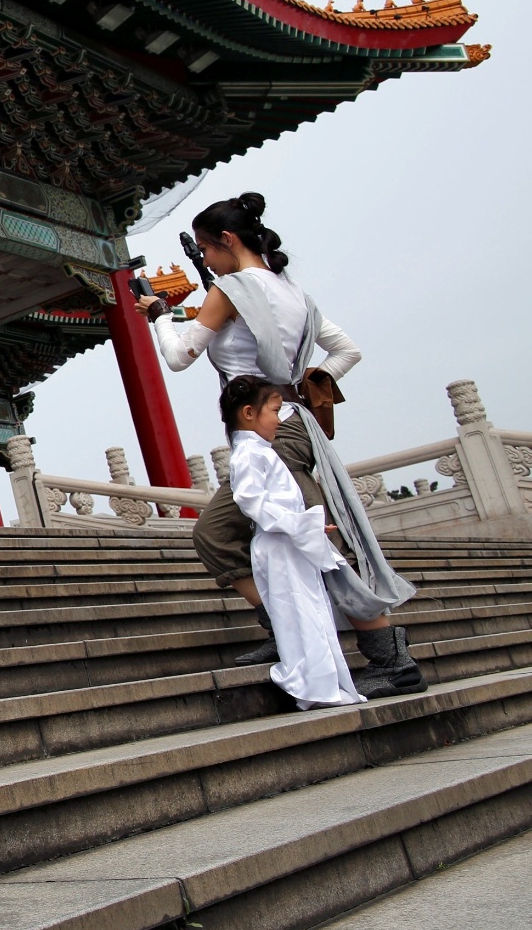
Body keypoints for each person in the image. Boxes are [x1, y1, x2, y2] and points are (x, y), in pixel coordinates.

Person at [138, 192, 423, 698]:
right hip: (294, 425)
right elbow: (347, 350)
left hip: (273, 436)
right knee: (292, 536)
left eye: (206, 250)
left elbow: (180, 356)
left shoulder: (230, 288)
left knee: (290, 538)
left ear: (226, 241)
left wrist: (159, 314)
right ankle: (293, 630)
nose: (205, 261)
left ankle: (389, 656)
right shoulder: (292, 291)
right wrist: (305, 387)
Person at [222, 375, 366, 710]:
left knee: (311, 612)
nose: (279, 419)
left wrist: (307, 525)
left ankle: (325, 684)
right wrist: (299, 523)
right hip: (278, 544)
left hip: (290, 541)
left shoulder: (261, 451)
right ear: (248, 413)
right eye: (274, 410)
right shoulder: (248, 454)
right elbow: (250, 501)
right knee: (297, 614)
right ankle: (312, 685)